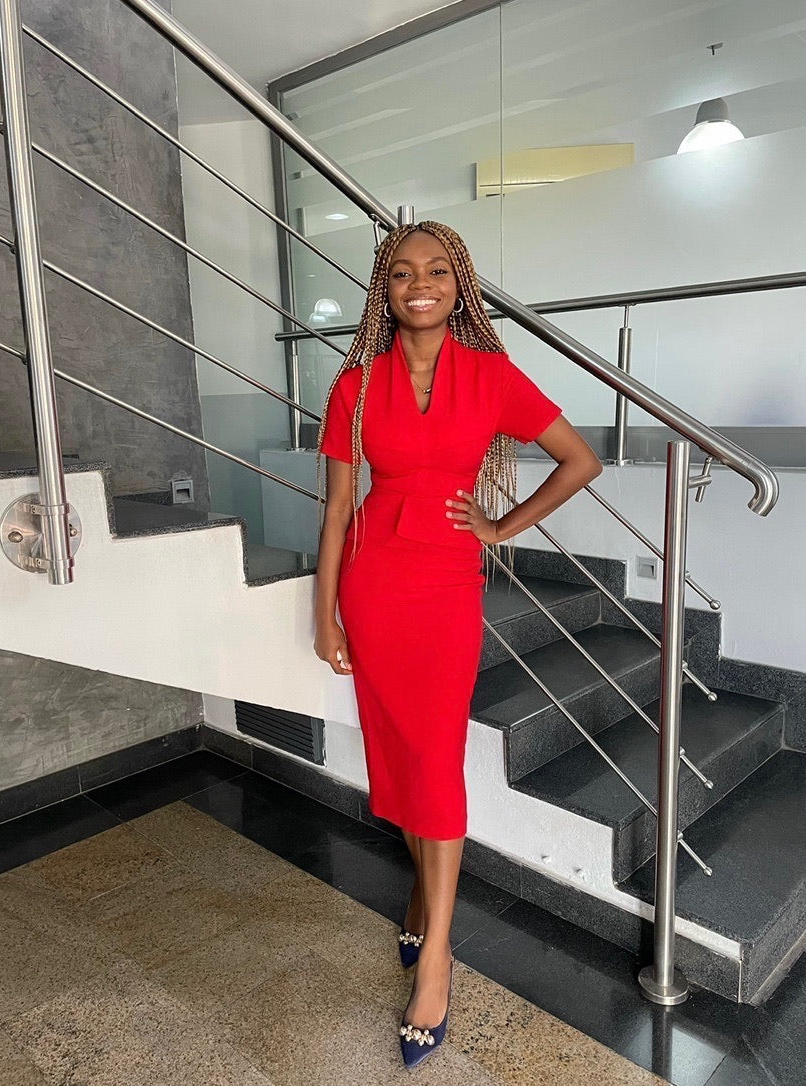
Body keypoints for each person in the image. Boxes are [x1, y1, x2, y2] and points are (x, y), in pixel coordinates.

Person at [313, 221, 602, 1068]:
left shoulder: (492, 375)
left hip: (444, 588)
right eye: (402, 273)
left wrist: (500, 525)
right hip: (372, 583)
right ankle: (423, 894)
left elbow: (576, 459)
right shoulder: (356, 386)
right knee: (400, 758)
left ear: (459, 284)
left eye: (437, 271)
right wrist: (325, 613)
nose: (420, 284)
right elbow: (336, 508)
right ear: (385, 290)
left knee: (434, 763)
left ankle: (435, 951)